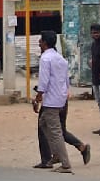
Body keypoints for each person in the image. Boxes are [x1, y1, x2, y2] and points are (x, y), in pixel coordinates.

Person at [32, 31, 87, 172]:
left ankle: (65, 163)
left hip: (51, 99)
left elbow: (44, 81)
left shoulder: (45, 59)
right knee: (43, 123)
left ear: (44, 43)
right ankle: (56, 154)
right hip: (61, 97)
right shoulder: (60, 58)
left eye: (40, 40)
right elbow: (66, 79)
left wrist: (38, 96)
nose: (39, 43)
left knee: (55, 131)